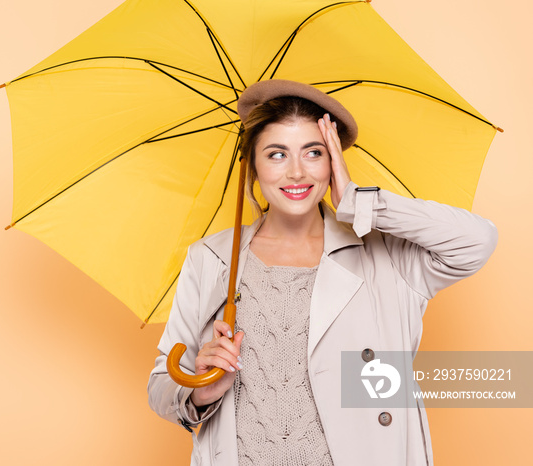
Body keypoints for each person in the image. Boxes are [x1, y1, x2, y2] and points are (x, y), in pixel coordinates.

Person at [147, 79, 498, 466]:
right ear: (252, 165)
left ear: (333, 161)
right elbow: (162, 385)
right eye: (277, 154)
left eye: (313, 152)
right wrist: (201, 390)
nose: (296, 172)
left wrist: (360, 201)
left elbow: (477, 240)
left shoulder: (385, 253)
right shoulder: (210, 258)